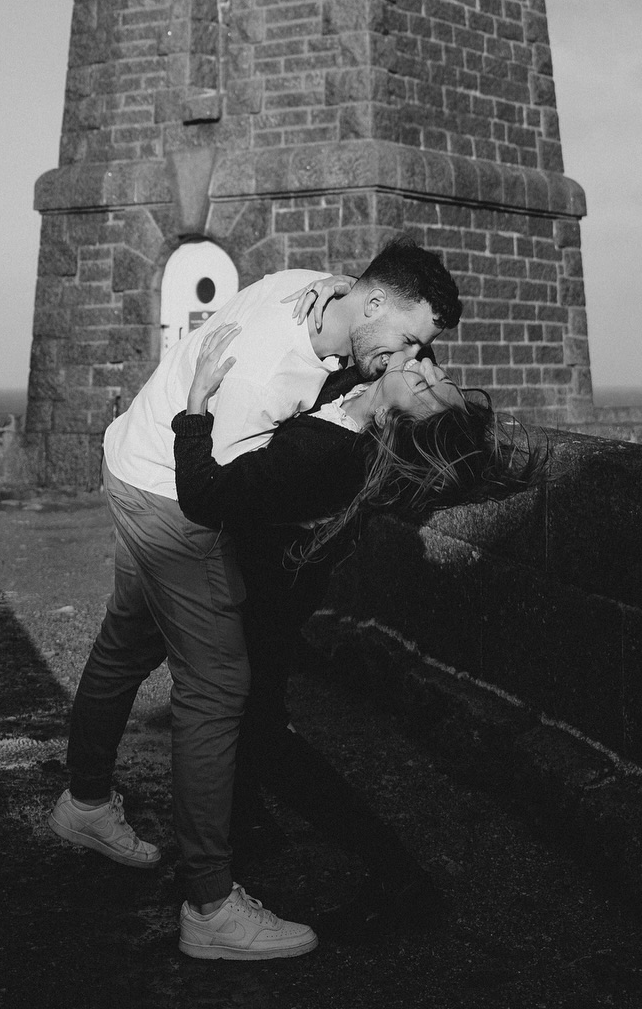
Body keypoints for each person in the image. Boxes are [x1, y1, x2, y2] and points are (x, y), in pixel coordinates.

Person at [48, 240, 462, 962]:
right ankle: (210, 906)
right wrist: (199, 410)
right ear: (371, 303)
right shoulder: (267, 378)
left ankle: (85, 803)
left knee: (129, 643)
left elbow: (337, 307)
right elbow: (212, 497)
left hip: (130, 458)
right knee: (218, 692)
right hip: (171, 496)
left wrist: (344, 293)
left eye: (421, 353)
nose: (413, 357)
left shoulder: (309, 291)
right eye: (409, 340)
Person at [171, 316, 543, 938]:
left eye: (426, 384)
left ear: (402, 422)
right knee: (256, 715)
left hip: (263, 598)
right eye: (432, 367)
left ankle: (400, 878)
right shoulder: (358, 398)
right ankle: (247, 822)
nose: (423, 364)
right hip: (279, 589)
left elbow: (203, 497)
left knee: (260, 732)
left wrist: (195, 406)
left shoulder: (327, 455)